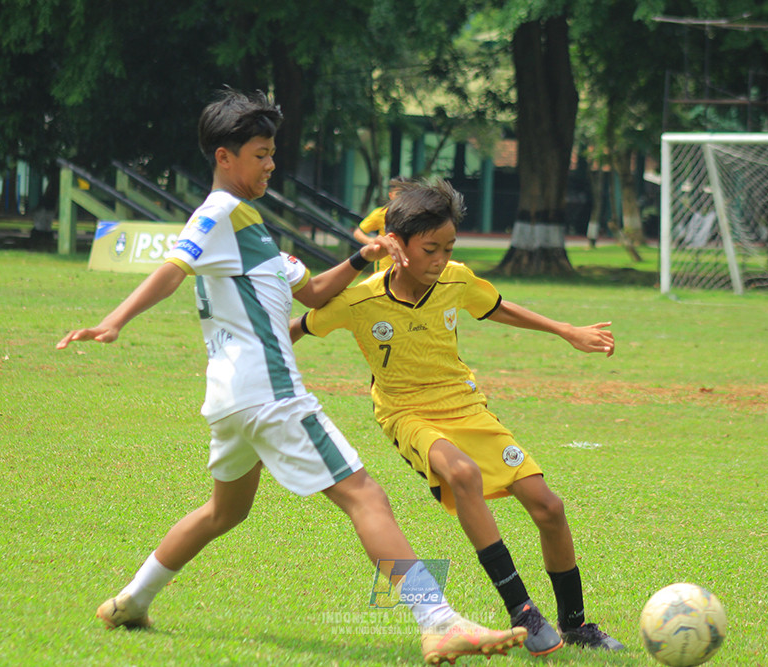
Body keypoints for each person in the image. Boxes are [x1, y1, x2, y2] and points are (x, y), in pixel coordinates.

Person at [56, 91, 526, 666]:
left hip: (230, 399)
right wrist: (113, 321)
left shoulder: (251, 229)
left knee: (224, 512)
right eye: (260, 154)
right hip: (269, 391)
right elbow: (173, 269)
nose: (271, 164)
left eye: (273, 153)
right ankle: (439, 621)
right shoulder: (217, 213)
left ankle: (132, 600)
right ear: (225, 157)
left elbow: (315, 292)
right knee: (364, 495)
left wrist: (363, 256)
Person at [292, 178, 625, 657]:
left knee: (549, 507)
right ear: (396, 245)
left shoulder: (456, 280)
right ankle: (522, 612)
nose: (441, 259)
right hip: (406, 413)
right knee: (463, 474)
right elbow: (302, 325)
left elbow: (496, 308)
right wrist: (254, 352)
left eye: (448, 248)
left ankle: (575, 624)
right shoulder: (360, 300)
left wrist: (565, 330)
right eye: (431, 249)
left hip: (464, 406)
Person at [353, 176, 412, 272]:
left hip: (408, 266)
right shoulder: (380, 213)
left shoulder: (416, 215)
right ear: (391, 195)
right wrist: (371, 241)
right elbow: (358, 232)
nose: (401, 197)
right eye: (398, 193)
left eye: (405, 194)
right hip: (384, 269)